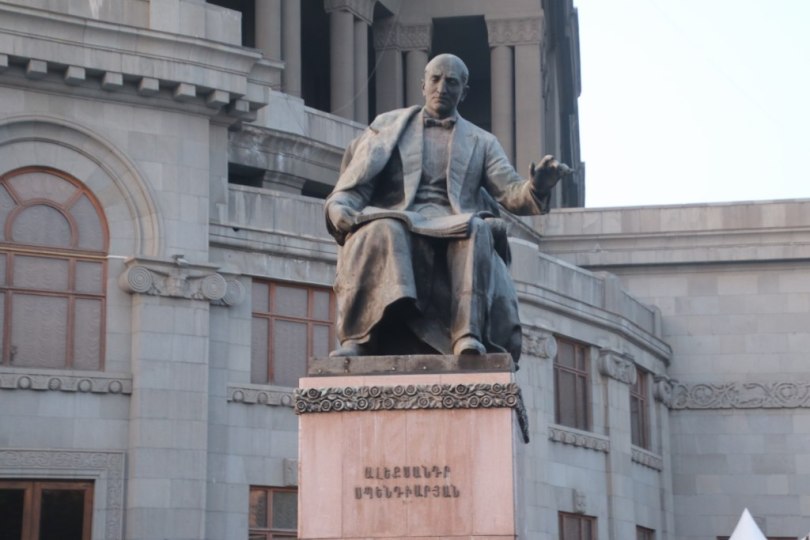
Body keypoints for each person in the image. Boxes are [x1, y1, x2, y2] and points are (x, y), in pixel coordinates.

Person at [325, 53, 569, 360]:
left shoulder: (482, 141)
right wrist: (337, 206)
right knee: (383, 228)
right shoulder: (386, 128)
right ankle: (361, 338)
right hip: (398, 214)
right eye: (436, 79)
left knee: (476, 229)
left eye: (452, 82)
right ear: (423, 85)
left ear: (463, 91)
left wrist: (537, 187)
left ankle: (467, 335)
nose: (442, 88)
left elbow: (510, 192)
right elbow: (357, 184)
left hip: (453, 219)